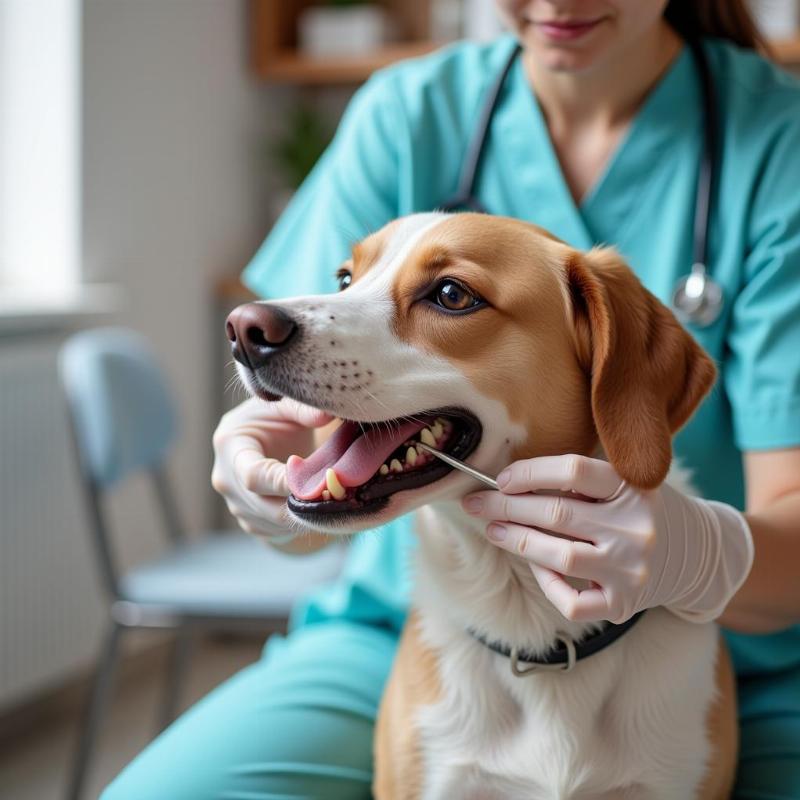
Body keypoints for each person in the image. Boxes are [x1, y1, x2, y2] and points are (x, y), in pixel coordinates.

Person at [103, 1, 800, 797]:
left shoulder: (779, 143)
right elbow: (319, 396)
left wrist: (701, 556)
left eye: (448, 294)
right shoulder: (410, 112)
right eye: (348, 276)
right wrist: (273, 461)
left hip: (741, 643)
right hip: (406, 623)